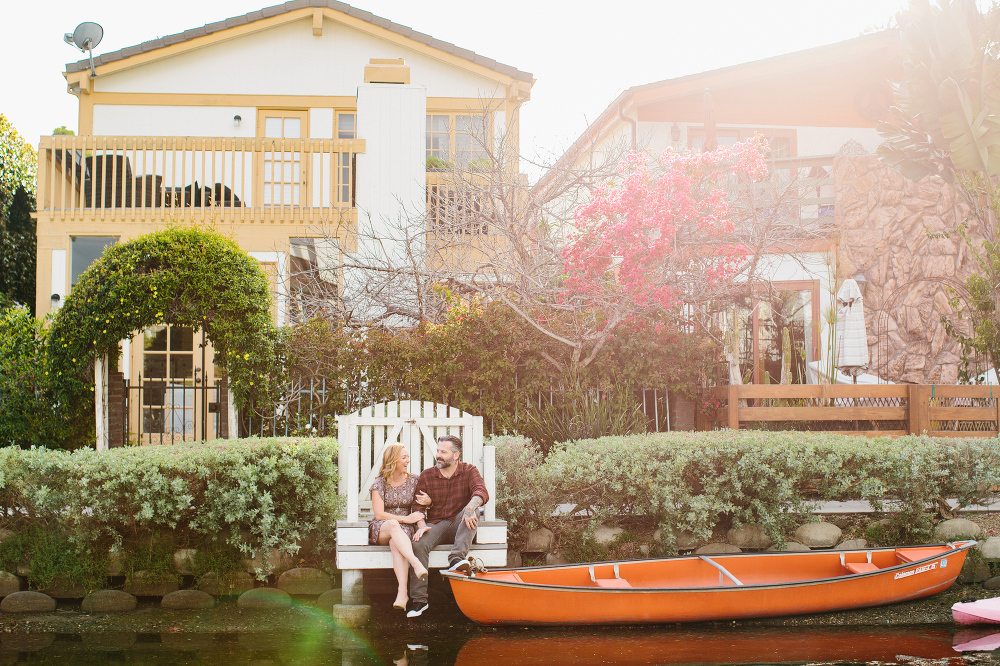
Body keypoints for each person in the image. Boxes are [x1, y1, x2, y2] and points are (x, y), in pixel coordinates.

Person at [405, 434, 489, 618]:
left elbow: (481, 491)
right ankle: (419, 600)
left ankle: (456, 559)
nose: (439, 455)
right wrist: (420, 526)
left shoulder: (469, 471)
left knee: (472, 512)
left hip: (461, 523)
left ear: (456, 455)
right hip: (437, 524)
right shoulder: (427, 475)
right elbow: (417, 507)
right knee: (418, 544)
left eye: (443, 452)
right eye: (438, 451)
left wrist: (470, 506)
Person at [369, 444, 431, 610]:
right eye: (404, 457)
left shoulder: (414, 480)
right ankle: (415, 563)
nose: (407, 461)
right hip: (382, 527)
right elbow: (379, 514)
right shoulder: (379, 483)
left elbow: (420, 507)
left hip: (404, 529)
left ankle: (402, 593)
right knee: (394, 525)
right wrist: (405, 519)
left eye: (407, 457)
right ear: (393, 461)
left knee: (396, 545)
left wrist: (421, 522)